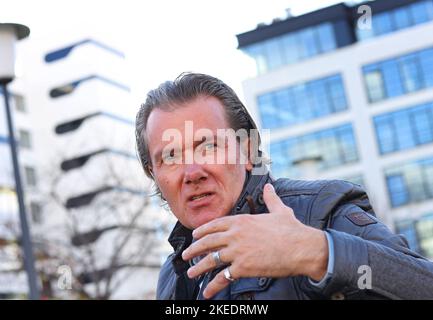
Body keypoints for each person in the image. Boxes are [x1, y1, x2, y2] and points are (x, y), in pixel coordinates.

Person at [135, 72, 433, 300]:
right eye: (171, 157)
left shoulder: (319, 212)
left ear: (248, 151)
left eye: (209, 146)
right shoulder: (172, 277)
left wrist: (317, 253)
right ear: (154, 174)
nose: (192, 172)